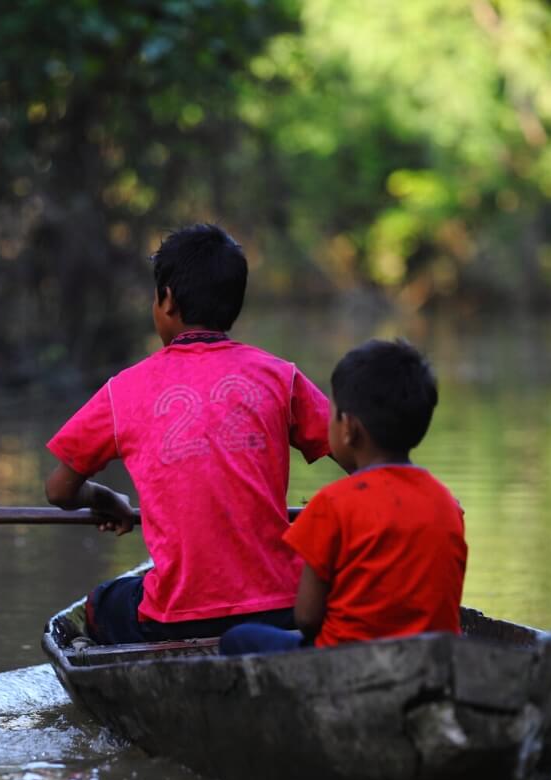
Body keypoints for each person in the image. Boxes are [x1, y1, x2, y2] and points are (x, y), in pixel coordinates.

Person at [45, 223, 334, 644]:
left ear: (166, 300)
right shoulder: (281, 377)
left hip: (175, 617)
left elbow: (59, 491)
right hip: (283, 611)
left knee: (100, 605)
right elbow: (364, 458)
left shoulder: (122, 391)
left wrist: (104, 498)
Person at [219, 339, 466, 655]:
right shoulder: (447, 504)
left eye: (332, 412)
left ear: (348, 428)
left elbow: (307, 617)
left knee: (237, 639)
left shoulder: (332, 505)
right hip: (432, 658)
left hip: (344, 665)